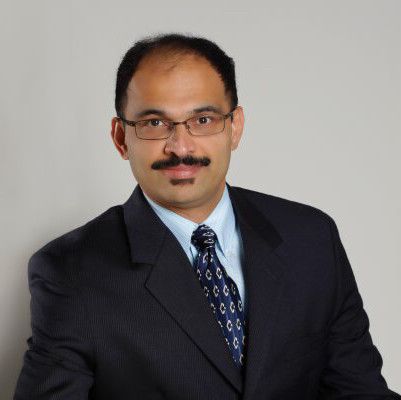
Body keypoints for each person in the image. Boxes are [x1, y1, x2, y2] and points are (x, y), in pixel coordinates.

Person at [14, 33, 400, 400]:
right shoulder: (71, 272)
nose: (181, 147)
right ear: (121, 138)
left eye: (203, 120)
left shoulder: (311, 238)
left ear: (235, 128)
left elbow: (359, 390)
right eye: (154, 123)